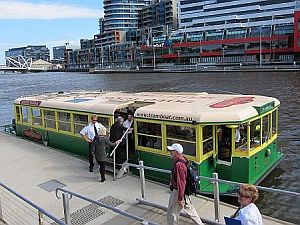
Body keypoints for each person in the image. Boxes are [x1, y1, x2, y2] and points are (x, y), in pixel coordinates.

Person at [167, 143, 203, 225]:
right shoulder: (184, 159)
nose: (170, 153)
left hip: (178, 193)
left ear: (176, 152)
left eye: (171, 151)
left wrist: (180, 198)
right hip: (185, 192)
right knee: (190, 210)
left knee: (171, 214)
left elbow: (181, 182)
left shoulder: (179, 165)